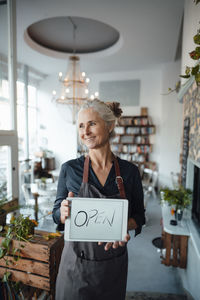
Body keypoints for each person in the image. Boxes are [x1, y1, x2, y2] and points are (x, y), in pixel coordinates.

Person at [52, 99, 145, 300]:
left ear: (110, 125)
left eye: (92, 123)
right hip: (76, 266)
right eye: (81, 126)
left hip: (113, 264)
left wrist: (121, 227)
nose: (85, 131)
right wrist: (63, 212)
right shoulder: (69, 169)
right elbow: (56, 214)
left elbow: (140, 216)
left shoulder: (130, 172)